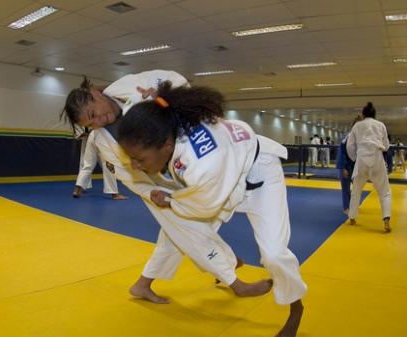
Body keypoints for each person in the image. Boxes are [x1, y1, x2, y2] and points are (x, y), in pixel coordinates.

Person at [62, 70, 272, 304]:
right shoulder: (102, 140)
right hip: (158, 188)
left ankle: (143, 284)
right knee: (191, 229)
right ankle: (234, 281)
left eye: (94, 114)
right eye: (90, 123)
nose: (99, 122)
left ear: (94, 94)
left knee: (175, 234)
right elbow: (126, 176)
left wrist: (162, 95)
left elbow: (180, 81)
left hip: (183, 165)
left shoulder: (130, 85)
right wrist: (148, 193)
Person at [117, 81, 307, 337]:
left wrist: (171, 200)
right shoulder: (168, 123)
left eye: (139, 159)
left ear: (166, 146)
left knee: (273, 254)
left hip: (259, 174)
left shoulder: (201, 163)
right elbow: (142, 109)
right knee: (176, 233)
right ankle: (226, 272)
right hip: (227, 171)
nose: (135, 165)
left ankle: (295, 306)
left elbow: (204, 206)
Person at [347, 102, 392, 232]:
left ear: (363, 114)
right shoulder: (381, 125)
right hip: (377, 157)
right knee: (384, 191)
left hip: (361, 158)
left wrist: (355, 158)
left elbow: (350, 146)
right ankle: (386, 218)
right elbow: (386, 145)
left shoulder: (357, 126)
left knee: (356, 190)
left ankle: (352, 217)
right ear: (374, 114)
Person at [72, 127, 127, 200]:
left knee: (88, 164)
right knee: (109, 164)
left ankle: (77, 189)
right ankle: (114, 194)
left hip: (92, 134)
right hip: (103, 134)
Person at [336, 117, 361, 215]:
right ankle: (346, 207)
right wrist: (343, 168)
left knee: (356, 189)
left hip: (356, 166)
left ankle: (353, 205)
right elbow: (341, 153)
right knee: (346, 188)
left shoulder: (362, 138)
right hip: (346, 165)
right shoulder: (346, 137)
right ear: (353, 126)